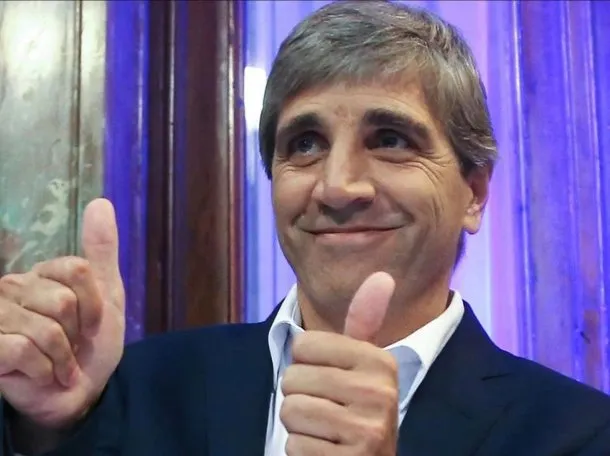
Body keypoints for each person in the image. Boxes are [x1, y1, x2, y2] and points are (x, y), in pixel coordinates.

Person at [1, 1, 609, 455]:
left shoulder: (579, 433)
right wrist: (48, 429)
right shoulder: (144, 387)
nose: (338, 187)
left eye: (390, 139)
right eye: (306, 144)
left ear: (473, 193)